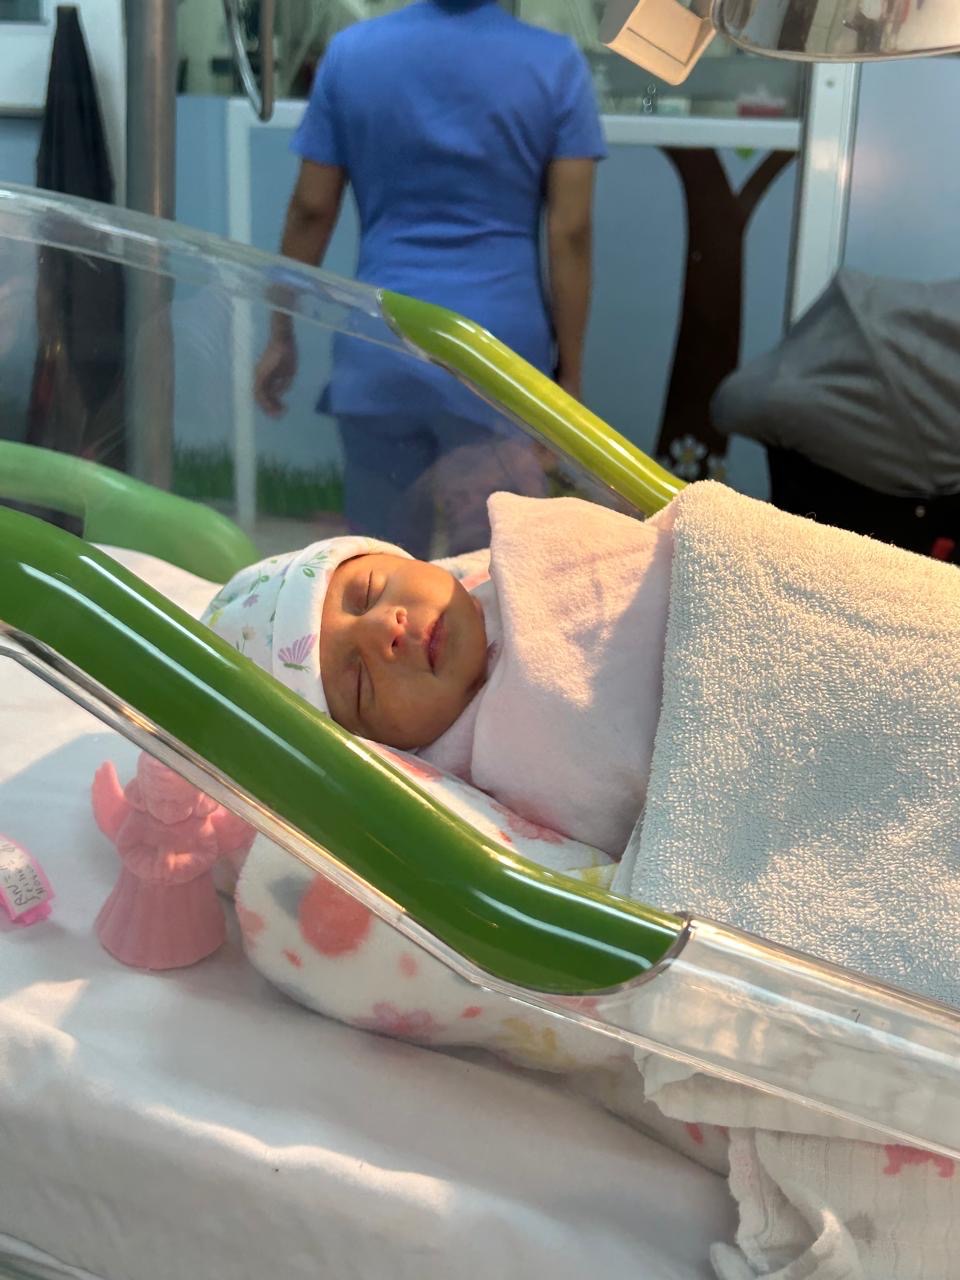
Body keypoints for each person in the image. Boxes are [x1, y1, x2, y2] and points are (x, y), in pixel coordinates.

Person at [254, 0, 607, 557]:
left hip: (380, 344)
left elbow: (311, 210)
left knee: (382, 568)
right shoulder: (555, 64)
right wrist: (572, 377)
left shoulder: (351, 55)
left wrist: (281, 330)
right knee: (493, 571)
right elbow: (571, 232)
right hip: (497, 359)